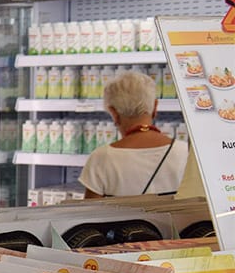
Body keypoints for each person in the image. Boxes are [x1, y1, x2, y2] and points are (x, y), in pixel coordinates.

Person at [79, 70, 189, 198]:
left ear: (113, 113)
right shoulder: (186, 152)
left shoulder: (101, 158)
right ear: (155, 107)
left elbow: (90, 214)